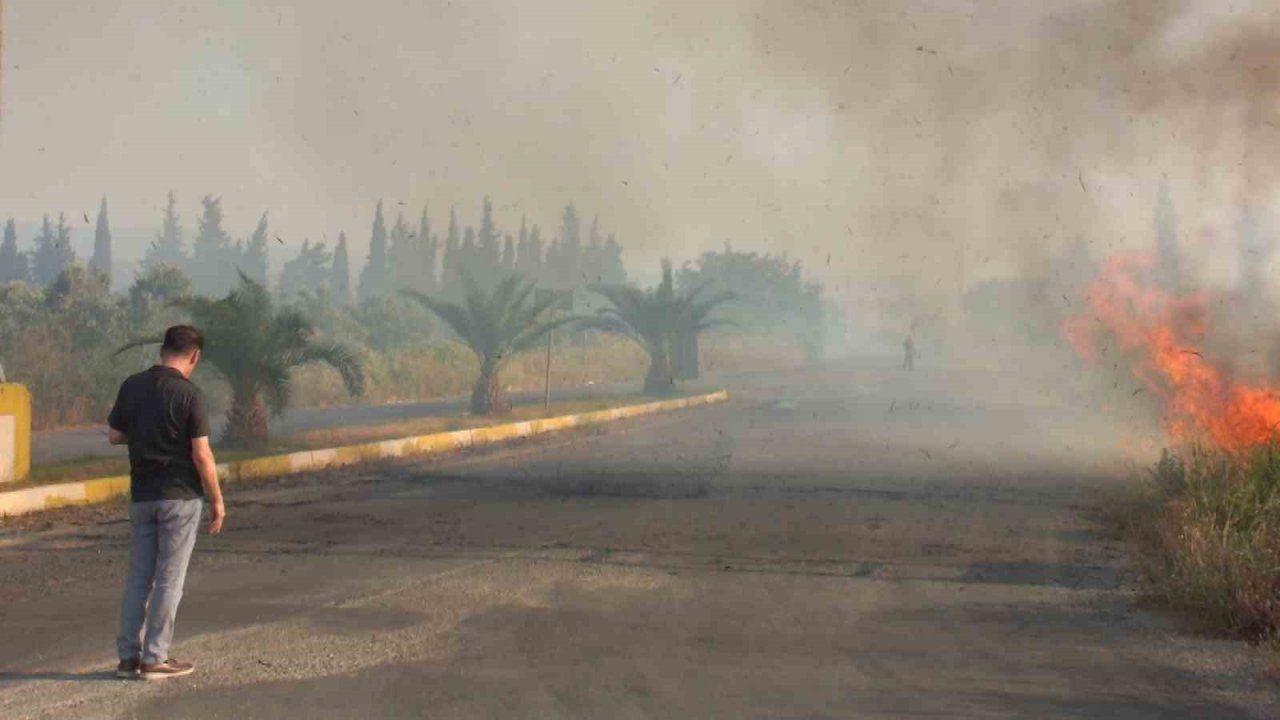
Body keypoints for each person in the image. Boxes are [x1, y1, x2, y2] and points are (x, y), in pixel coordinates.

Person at [107, 325, 225, 681]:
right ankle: (155, 657)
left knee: (139, 578)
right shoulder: (190, 394)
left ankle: (128, 658)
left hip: (142, 496)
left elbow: (115, 435)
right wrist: (217, 500)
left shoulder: (132, 385)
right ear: (195, 356)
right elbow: (201, 454)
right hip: (180, 497)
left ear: (163, 350)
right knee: (169, 580)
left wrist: (145, 432)